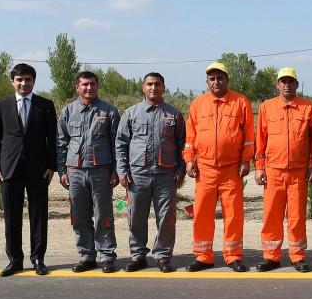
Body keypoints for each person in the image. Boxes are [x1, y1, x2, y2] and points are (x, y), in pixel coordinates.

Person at [184, 62, 255, 272]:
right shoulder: (198, 104)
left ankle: (233, 255)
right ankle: (203, 256)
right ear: (207, 82)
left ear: (227, 80)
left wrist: (245, 160)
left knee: (233, 214)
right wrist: (189, 159)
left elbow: (249, 135)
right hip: (204, 168)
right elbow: (191, 136)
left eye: (220, 78)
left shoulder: (240, 102)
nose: (216, 82)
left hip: (231, 169)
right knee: (202, 214)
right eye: (212, 78)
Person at [0, 63, 57, 277]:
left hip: (38, 170)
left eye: (27, 79)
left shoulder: (45, 105)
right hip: (9, 170)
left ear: (34, 81)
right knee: (12, 216)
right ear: (12, 82)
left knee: (38, 216)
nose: (23, 83)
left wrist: (52, 166)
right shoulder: (2, 106)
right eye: (19, 80)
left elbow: (52, 139)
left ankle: (38, 258)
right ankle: (15, 260)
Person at [115, 72, 186, 273]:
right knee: (136, 216)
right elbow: (121, 144)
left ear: (163, 87)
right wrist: (122, 170)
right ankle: (138, 255)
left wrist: (181, 169)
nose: (153, 88)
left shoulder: (174, 114)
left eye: (157, 84)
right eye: (149, 84)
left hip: (166, 174)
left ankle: (163, 256)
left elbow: (183, 144)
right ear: (143, 87)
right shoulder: (131, 113)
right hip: (138, 174)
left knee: (166, 217)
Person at [253, 67, 312, 273]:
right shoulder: (266, 107)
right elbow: (260, 140)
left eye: (291, 81)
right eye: (283, 81)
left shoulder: (308, 108)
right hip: (273, 171)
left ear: (297, 84)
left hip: (298, 172)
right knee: (271, 215)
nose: (287, 84)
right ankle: (271, 256)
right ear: (277, 84)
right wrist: (259, 168)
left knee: (297, 216)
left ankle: (298, 256)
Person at [57, 71, 121, 273]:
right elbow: (61, 144)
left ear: (97, 86)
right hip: (74, 171)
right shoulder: (67, 112)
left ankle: (106, 255)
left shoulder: (109, 111)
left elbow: (116, 144)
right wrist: (62, 171)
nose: (89, 88)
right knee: (79, 215)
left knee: (103, 214)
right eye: (84, 84)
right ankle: (86, 255)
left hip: (101, 171)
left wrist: (116, 171)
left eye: (92, 84)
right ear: (77, 87)